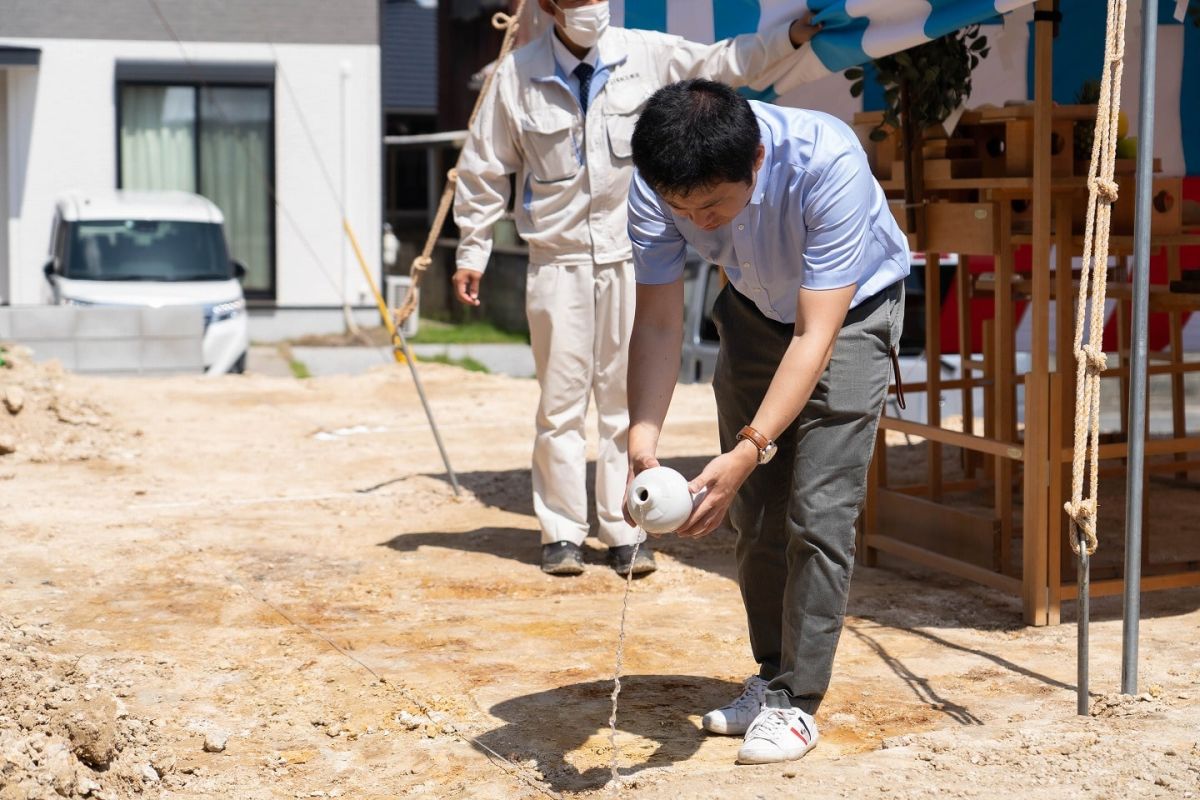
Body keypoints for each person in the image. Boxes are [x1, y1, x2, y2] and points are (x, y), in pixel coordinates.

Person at [452, 0, 821, 577]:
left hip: (635, 255)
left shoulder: (648, 53)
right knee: (560, 400)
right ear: (549, 6)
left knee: (625, 399)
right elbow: (483, 167)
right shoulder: (515, 75)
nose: (592, 7)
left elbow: (725, 62)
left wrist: (791, 37)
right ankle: (562, 532)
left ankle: (627, 526)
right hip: (557, 258)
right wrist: (472, 248)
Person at [624, 79, 908, 764]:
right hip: (753, 308)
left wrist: (752, 444)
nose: (698, 218)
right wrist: (642, 442)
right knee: (753, 512)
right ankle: (773, 672)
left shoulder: (827, 161)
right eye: (682, 208)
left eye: (713, 205)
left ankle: (798, 702)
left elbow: (816, 334)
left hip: (849, 315)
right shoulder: (657, 181)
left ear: (755, 160)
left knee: (817, 511)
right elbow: (660, 321)